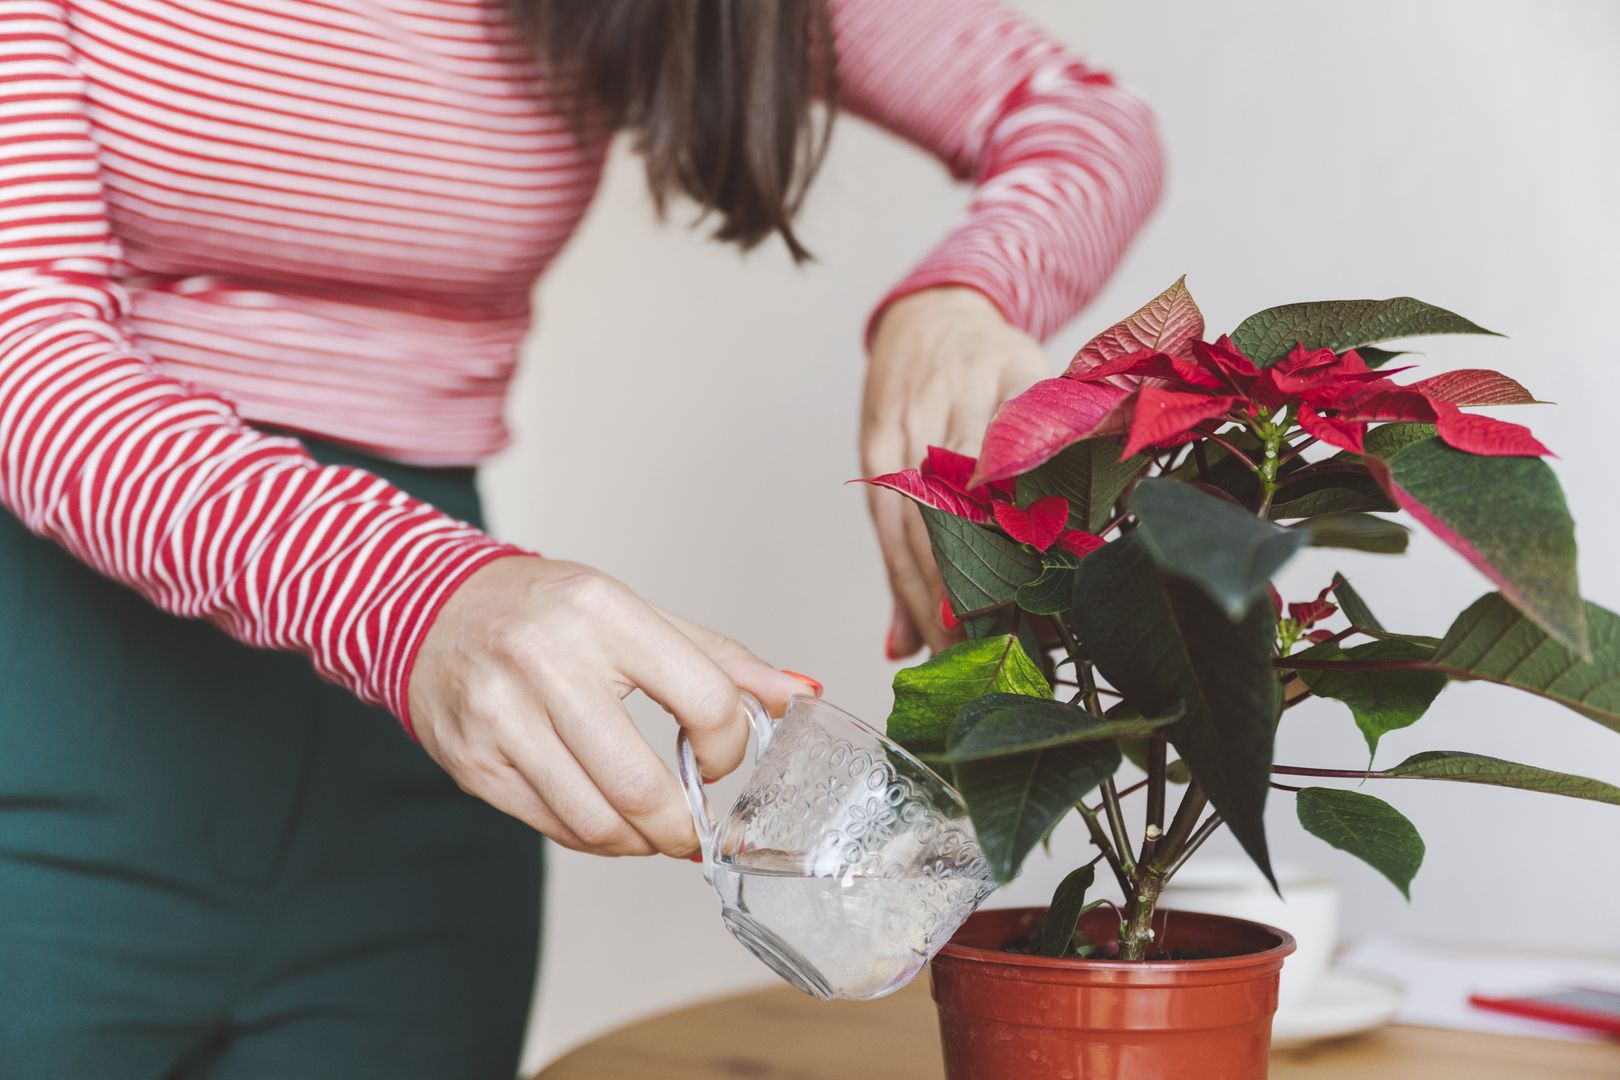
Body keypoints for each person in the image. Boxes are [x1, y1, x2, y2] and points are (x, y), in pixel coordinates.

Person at [0, 0, 1162, 1075]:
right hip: (72, 705)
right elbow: (26, 348)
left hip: (420, 776)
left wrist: (962, 302)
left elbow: (1086, 120)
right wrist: (418, 596)